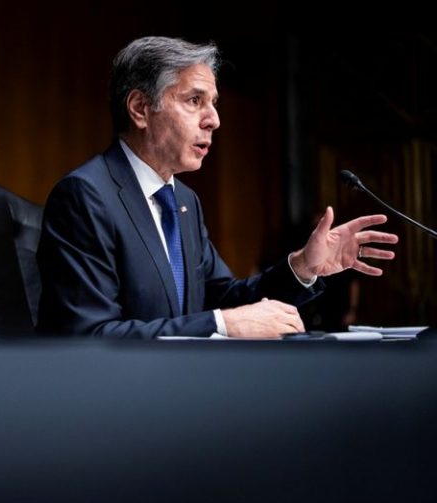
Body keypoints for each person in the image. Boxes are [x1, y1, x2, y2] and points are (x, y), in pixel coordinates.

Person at [36, 36, 398, 339]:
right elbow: (90, 335)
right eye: (195, 101)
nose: (214, 120)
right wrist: (221, 325)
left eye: (213, 103)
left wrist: (302, 267)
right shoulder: (86, 196)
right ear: (140, 108)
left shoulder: (184, 201)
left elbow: (226, 300)